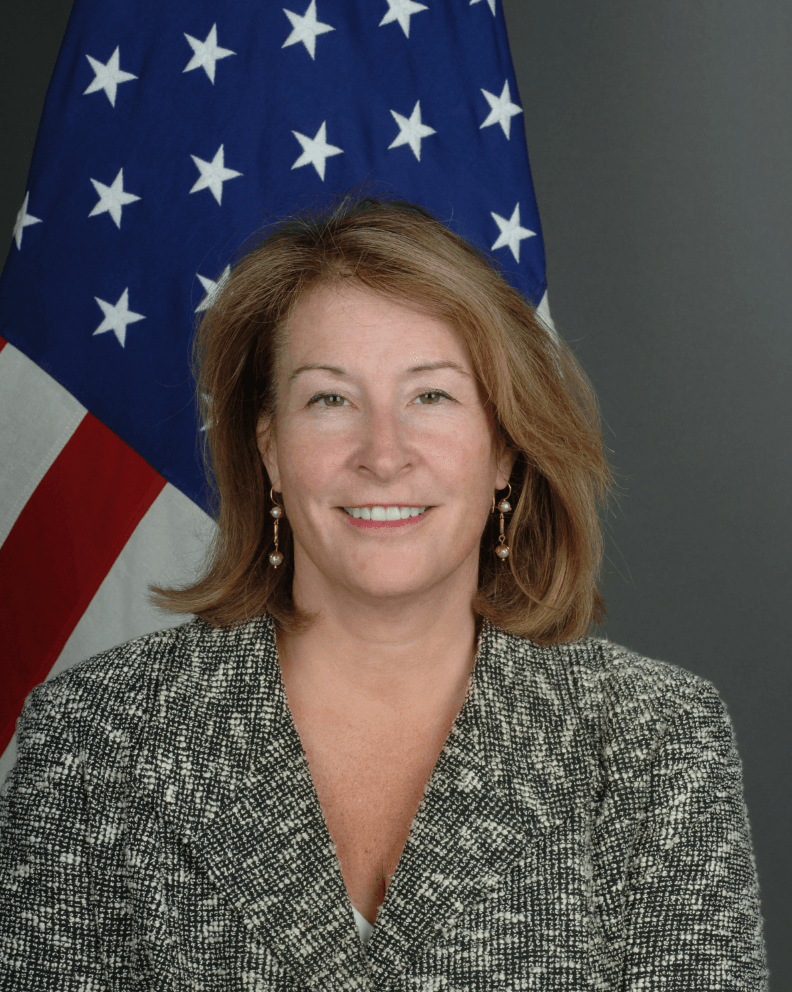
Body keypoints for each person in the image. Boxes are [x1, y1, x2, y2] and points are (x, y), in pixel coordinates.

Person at [0, 196, 768, 990]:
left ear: (503, 447)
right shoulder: (97, 738)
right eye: (330, 399)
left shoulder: (653, 743)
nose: (383, 454)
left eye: (430, 396)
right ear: (269, 450)